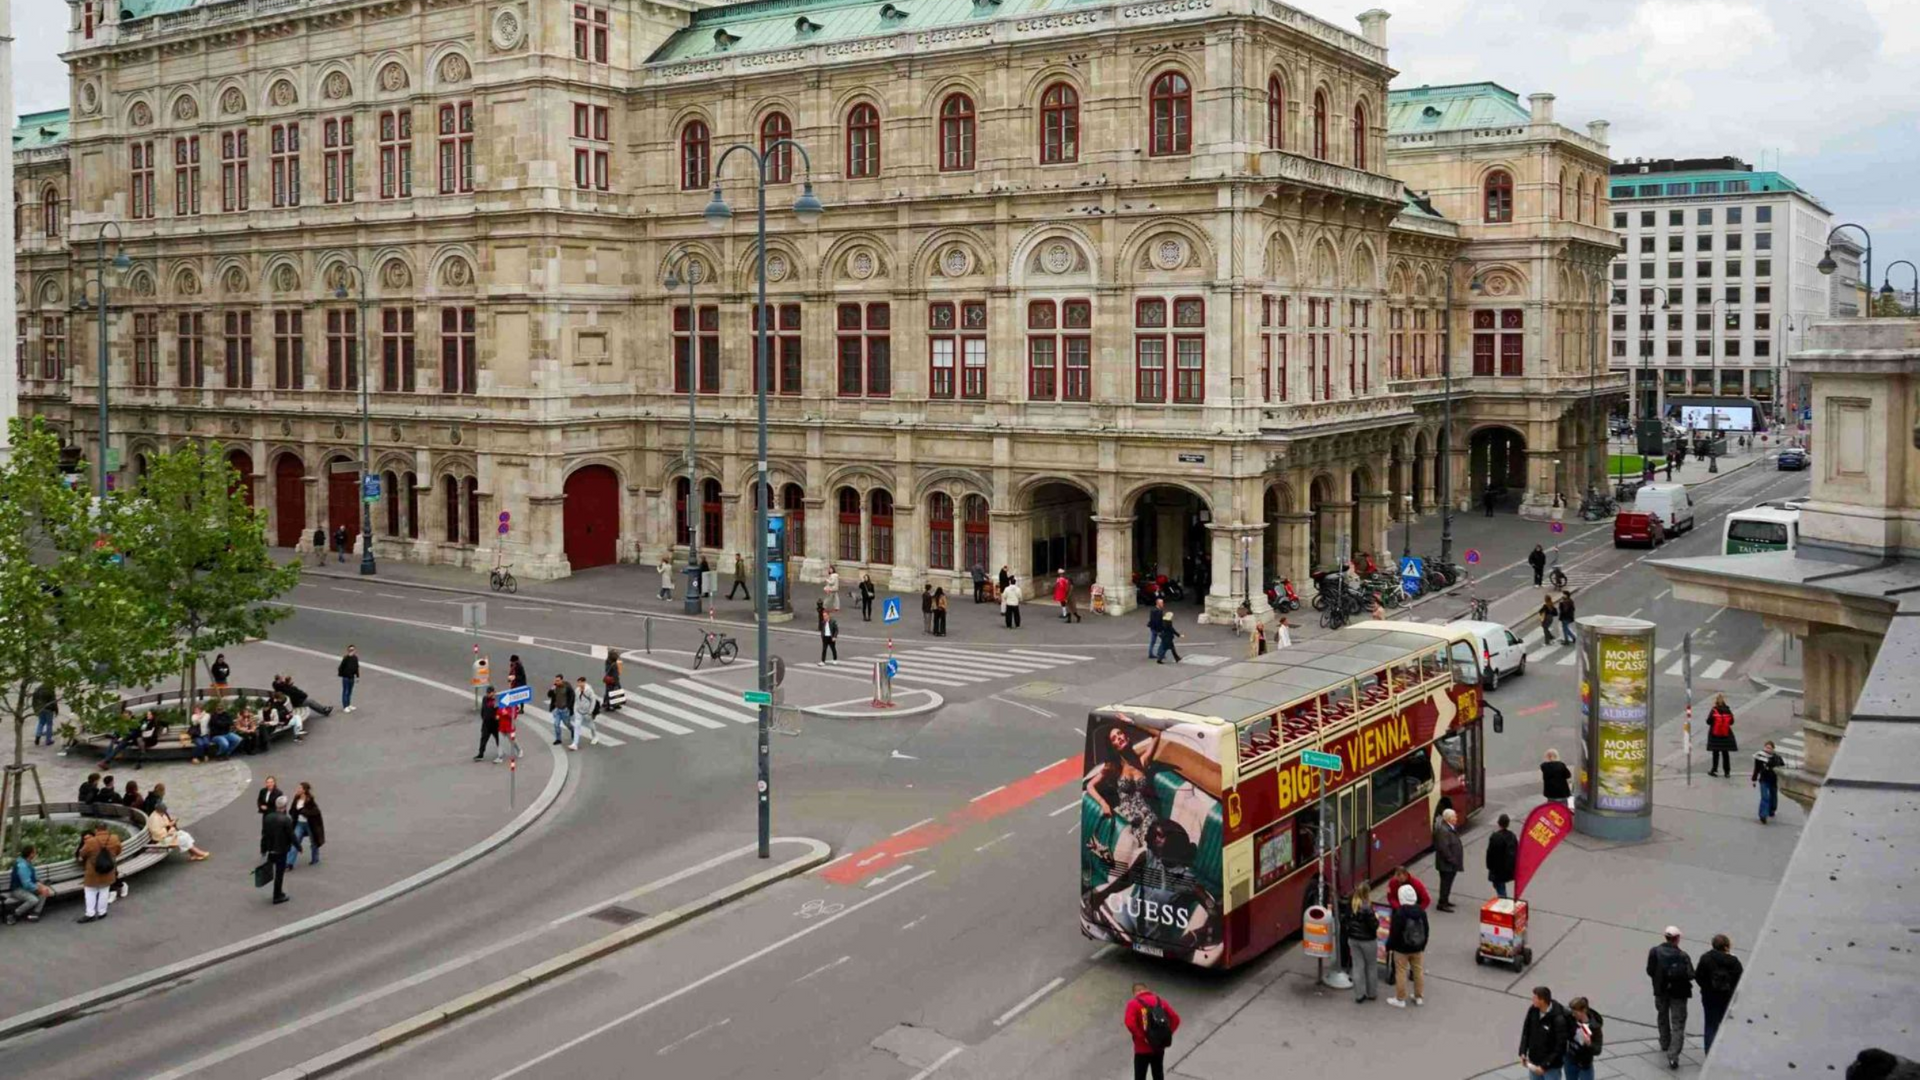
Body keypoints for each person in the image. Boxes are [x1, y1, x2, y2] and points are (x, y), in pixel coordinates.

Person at [1646, 926, 1694, 1068]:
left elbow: (1650, 970)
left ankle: (1664, 1042)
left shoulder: (1654, 951)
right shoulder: (1683, 955)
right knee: (1678, 1024)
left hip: (1661, 991)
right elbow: (1691, 974)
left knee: (1662, 1016)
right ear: (1677, 938)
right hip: (1679, 993)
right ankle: (1673, 1056)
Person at [1695, 933, 1743, 1053]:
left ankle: (1709, 1053)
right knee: (1726, 1026)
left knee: (1710, 1026)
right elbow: (1739, 979)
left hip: (1709, 997)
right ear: (1726, 946)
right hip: (1726, 998)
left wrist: (1706, 988)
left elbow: (1698, 977)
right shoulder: (1734, 961)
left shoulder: (1706, 958)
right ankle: (1724, 1051)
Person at [1122, 982, 1181, 1080]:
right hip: (1159, 1046)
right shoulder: (1160, 1002)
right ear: (1147, 989)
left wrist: (1142, 1037)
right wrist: (1167, 1034)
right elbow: (1175, 1019)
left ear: (1135, 992)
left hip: (1142, 1048)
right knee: (1158, 1073)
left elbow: (1129, 1023)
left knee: (1140, 1076)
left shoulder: (1133, 1004)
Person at [1386, 883, 1428, 1007]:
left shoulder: (1400, 913)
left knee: (1401, 972)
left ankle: (1400, 999)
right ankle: (1418, 996)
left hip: (1401, 949)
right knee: (1418, 971)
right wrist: (1423, 945)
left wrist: (1389, 946)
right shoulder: (1421, 912)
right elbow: (1426, 930)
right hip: (1417, 947)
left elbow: (1394, 933)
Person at [1518, 986, 1572, 1080]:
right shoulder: (1533, 1010)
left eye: (1535, 998)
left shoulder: (1558, 1019)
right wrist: (1523, 1051)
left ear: (1542, 1000)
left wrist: (1545, 1066)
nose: (1532, 999)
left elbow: (1560, 1047)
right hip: (1534, 1061)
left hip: (1551, 1067)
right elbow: (1526, 1032)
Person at [1343, 884, 1381, 1003]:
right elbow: (1374, 925)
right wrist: (1376, 918)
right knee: (1371, 966)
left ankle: (1359, 995)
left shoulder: (1351, 905)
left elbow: (1345, 920)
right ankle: (1372, 993)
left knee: (1357, 966)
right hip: (1368, 941)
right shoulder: (1367, 908)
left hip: (1353, 940)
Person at [77, 822, 121, 923]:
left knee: (90, 891)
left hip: (93, 871)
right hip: (109, 869)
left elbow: (82, 853)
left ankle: (90, 914)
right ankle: (102, 912)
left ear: (96, 830)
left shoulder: (90, 841)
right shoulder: (114, 838)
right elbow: (118, 850)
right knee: (104, 891)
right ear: (106, 828)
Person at [261, 795, 295, 904]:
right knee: (279, 874)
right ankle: (277, 895)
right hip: (281, 850)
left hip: (271, 849)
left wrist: (263, 848)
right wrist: (298, 846)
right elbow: (291, 835)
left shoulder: (268, 817)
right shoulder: (286, 819)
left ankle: (277, 892)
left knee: (270, 870)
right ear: (285, 807)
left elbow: (264, 834)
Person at [8, 844, 51, 923]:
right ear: (30, 854)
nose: (35, 854)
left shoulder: (27, 862)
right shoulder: (22, 865)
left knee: (44, 891)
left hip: (26, 888)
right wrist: (38, 888)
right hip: (17, 890)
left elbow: (32, 878)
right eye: (34, 852)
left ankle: (35, 913)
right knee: (33, 900)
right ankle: (14, 914)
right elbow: (26, 884)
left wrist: (41, 886)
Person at [286, 781, 325, 868]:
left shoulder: (310, 799)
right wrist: (294, 813)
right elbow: (292, 810)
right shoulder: (296, 798)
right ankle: (289, 863)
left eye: (300, 788)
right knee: (295, 842)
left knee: (313, 842)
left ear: (304, 790)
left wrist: (302, 811)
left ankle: (315, 858)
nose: (298, 789)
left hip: (309, 824)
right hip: (299, 824)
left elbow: (315, 812)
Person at [1565, 997, 1605, 1080]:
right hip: (1570, 1059)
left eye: (1575, 1013)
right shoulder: (1571, 1018)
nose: (1573, 1015)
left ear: (1583, 1011)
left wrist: (1589, 1044)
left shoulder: (1594, 1028)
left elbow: (1598, 1050)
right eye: (1572, 1012)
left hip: (1584, 1064)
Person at [1432, 808, 1464, 912]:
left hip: (1449, 863)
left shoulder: (1448, 828)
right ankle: (1442, 903)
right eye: (1454, 816)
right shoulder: (1443, 831)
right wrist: (1451, 859)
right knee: (1445, 883)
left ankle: (1445, 900)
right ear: (1448, 818)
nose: (1456, 818)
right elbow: (1443, 848)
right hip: (1446, 864)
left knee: (1448, 883)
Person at [1752, 740, 1786, 823]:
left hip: (1773, 780)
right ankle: (1763, 815)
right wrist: (1754, 779)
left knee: (1773, 797)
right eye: (1766, 747)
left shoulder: (1777, 758)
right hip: (1764, 779)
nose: (1767, 749)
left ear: (1773, 749)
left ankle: (1772, 809)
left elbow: (1782, 767)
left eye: (1769, 748)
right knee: (1765, 797)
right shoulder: (1759, 757)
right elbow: (1756, 769)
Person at [1487, 813, 1519, 899]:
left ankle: (1503, 901)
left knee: (1499, 887)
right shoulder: (1512, 836)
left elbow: (1490, 854)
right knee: (1500, 885)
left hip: (1497, 869)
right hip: (1508, 868)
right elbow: (1516, 850)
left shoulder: (1495, 837)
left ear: (1498, 823)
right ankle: (1503, 898)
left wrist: (1489, 867)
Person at [1706, 693, 1737, 777]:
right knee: (1725, 753)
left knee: (1715, 753)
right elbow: (1732, 722)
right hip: (1726, 734)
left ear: (1716, 701)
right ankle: (1727, 772)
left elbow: (1708, 721)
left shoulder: (1714, 710)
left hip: (1715, 735)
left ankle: (1714, 770)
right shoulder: (1728, 710)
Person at [571, 677, 601, 748]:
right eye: (578, 682)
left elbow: (593, 701)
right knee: (577, 726)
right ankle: (575, 744)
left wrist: (590, 711)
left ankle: (595, 737)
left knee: (591, 725)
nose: (578, 684)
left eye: (580, 682)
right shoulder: (577, 690)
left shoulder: (589, 690)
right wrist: (575, 710)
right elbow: (576, 700)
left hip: (587, 712)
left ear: (584, 682)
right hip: (579, 711)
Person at [547, 675, 575, 748]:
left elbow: (572, 696)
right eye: (555, 680)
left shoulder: (567, 687)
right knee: (556, 724)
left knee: (567, 724)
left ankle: (573, 730)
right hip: (557, 709)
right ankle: (558, 739)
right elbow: (549, 695)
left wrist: (569, 707)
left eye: (558, 680)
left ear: (562, 680)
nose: (556, 682)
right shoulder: (554, 687)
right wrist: (551, 689)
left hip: (564, 710)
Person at [476, 686, 501, 762]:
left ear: (493, 692)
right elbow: (483, 709)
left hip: (495, 724)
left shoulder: (497, 699)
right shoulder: (485, 699)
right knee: (483, 739)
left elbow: (500, 710)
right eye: (487, 693)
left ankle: (500, 753)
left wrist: (498, 718)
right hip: (486, 723)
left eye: (490, 693)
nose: (488, 694)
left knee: (498, 739)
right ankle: (480, 754)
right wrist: (483, 718)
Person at [338, 645, 361, 713]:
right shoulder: (346, 658)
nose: (352, 651)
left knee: (350, 692)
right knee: (346, 692)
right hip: (346, 678)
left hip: (352, 677)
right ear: (348, 651)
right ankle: (345, 706)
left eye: (353, 650)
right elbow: (341, 667)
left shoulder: (355, 658)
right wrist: (343, 675)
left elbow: (356, 668)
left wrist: (357, 676)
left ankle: (348, 704)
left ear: (355, 650)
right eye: (350, 650)